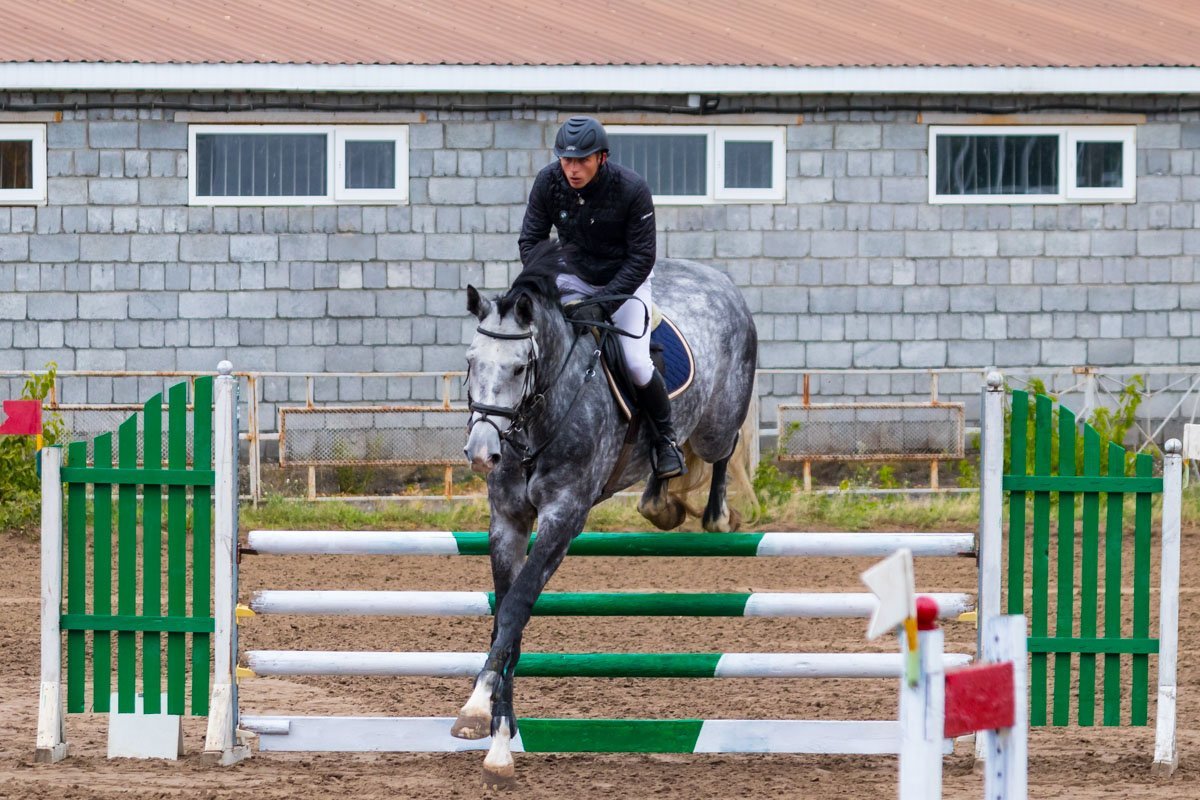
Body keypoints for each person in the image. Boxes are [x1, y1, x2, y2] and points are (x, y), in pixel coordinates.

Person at [517, 116, 686, 479]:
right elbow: (531, 242)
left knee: (638, 363)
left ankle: (665, 441)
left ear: (602, 158)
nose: (573, 169)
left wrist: (605, 302)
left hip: (626, 281)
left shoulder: (631, 189)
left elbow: (642, 257)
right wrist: (547, 285)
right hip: (572, 277)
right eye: (567, 160)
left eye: (582, 161)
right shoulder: (548, 181)